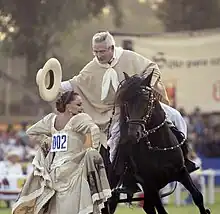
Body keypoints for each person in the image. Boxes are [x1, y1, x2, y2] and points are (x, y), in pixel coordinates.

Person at [60, 31, 197, 173]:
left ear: (111, 48)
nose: (99, 55)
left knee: (175, 116)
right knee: (114, 140)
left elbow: (152, 68)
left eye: (102, 51)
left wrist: (144, 85)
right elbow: (75, 83)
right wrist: (53, 86)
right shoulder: (92, 68)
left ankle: (184, 158)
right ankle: (119, 174)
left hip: (141, 105)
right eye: (95, 52)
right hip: (117, 112)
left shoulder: (129, 57)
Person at [11, 91, 112, 214]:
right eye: (78, 104)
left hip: (62, 173)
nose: (81, 108)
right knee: (68, 212)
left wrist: (48, 141)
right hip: (68, 173)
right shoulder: (77, 119)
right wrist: (94, 150)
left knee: (81, 207)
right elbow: (94, 129)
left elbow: (31, 131)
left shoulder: (52, 120)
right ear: (68, 106)